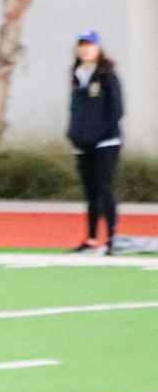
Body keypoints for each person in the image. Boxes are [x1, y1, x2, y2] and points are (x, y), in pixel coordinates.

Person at [68, 30, 124, 254]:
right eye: (82, 45)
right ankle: (91, 239)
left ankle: (111, 238)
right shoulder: (77, 75)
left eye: (90, 45)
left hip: (106, 142)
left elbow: (116, 111)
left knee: (104, 188)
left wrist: (98, 133)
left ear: (98, 48)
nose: (85, 49)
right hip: (83, 144)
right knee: (90, 192)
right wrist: (73, 134)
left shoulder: (108, 75)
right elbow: (75, 110)